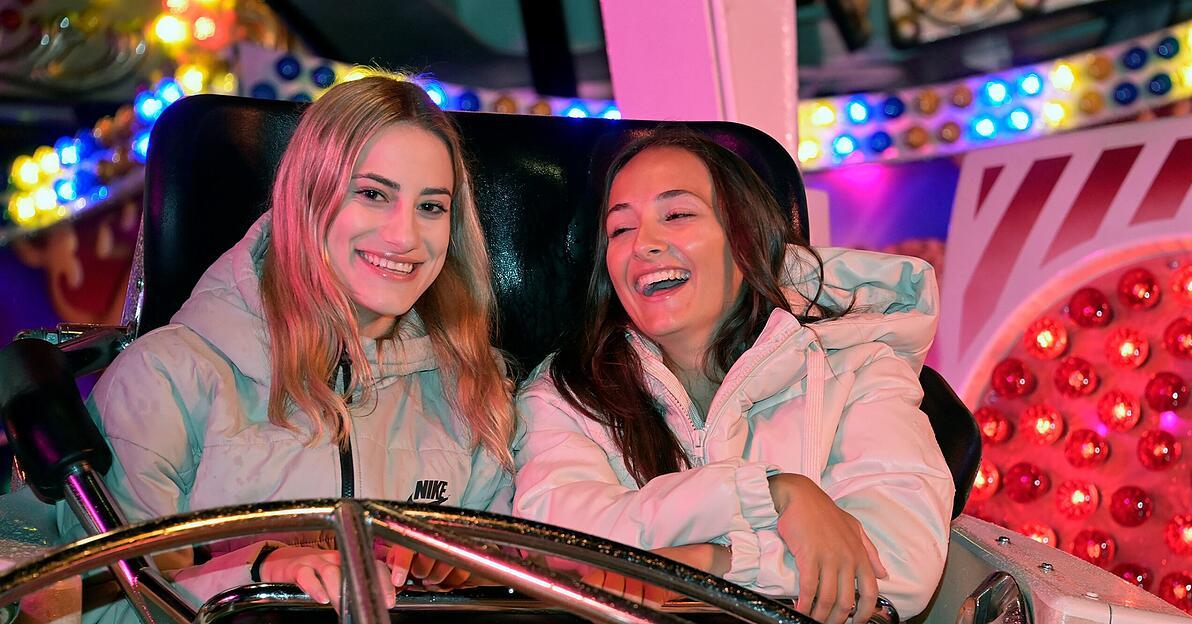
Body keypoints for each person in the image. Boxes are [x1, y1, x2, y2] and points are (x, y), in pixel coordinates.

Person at [56, 73, 515, 620]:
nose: (405, 236)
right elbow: (89, 609)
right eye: (373, 194)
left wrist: (466, 580)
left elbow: (518, 602)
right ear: (307, 200)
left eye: (431, 207)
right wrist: (256, 573)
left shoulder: (473, 387)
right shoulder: (165, 378)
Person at [512, 127, 953, 624]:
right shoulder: (564, 393)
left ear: (744, 234)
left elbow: (900, 567)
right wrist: (772, 494)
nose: (644, 245)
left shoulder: (856, 365)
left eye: (676, 215)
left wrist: (711, 563)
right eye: (620, 229)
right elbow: (556, 545)